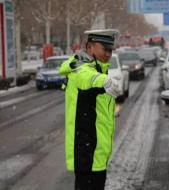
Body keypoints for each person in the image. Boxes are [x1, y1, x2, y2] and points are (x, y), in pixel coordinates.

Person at [59, 29, 121, 190]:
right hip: (87, 153)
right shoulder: (81, 69)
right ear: (90, 47)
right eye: (105, 49)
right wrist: (104, 81)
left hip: (97, 155)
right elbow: (86, 78)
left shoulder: (99, 68)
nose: (109, 54)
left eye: (111, 50)